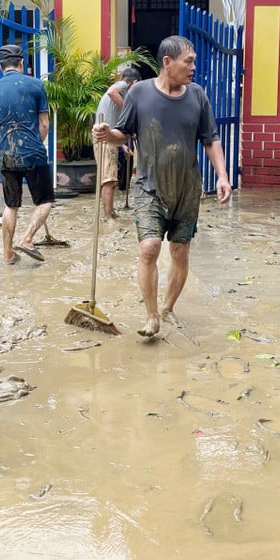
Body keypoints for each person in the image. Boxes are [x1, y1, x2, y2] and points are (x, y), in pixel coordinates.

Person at [92, 35, 232, 338]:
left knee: (180, 253)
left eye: (194, 61)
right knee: (149, 248)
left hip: (186, 188)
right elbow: (124, 133)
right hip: (149, 185)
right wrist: (107, 134)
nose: (194, 67)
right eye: (189, 61)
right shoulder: (140, 93)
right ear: (167, 63)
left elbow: (211, 139)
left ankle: (168, 308)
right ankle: (152, 316)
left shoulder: (198, 96)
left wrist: (222, 175)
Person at [0, 43, 55, 264]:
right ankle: (27, 239)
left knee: (11, 205)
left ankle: (8, 254)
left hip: (5, 154)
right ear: (22, 63)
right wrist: (36, 144)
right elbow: (44, 124)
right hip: (32, 152)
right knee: (45, 201)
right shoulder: (35, 86)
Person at [93, 67, 141, 219]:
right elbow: (111, 92)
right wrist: (129, 108)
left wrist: (123, 146)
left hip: (109, 139)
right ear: (133, 83)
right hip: (104, 139)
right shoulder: (121, 86)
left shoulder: (122, 95)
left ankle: (110, 212)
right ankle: (108, 216)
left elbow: (114, 126)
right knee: (109, 179)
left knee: (111, 179)